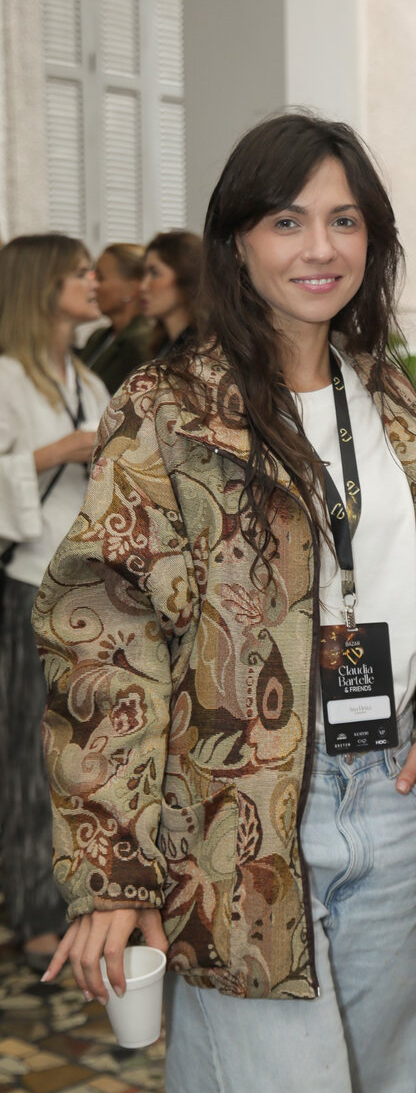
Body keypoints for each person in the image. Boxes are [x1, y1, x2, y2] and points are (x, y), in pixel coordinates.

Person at [33, 112, 416, 1093]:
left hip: (390, 792)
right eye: (287, 220)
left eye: (345, 220)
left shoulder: (390, 402)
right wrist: (116, 866)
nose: (322, 247)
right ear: (237, 240)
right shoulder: (170, 407)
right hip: (239, 817)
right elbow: (104, 636)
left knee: (387, 1077)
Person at [0, 235, 110, 969]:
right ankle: (32, 904)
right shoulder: (7, 376)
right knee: (23, 756)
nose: (95, 281)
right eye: (79, 272)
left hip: (83, 587)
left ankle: (73, 894)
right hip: (23, 586)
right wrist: (54, 452)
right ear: (43, 287)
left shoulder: (85, 375)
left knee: (79, 753)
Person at [79, 242, 151, 393]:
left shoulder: (142, 345)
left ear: (131, 289)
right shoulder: (98, 336)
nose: (93, 285)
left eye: (100, 278)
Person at [138, 229, 201, 356]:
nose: (143, 286)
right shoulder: (161, 343)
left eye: (155, 273)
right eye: (144, 274)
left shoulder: (203, 351)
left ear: (186, 277)